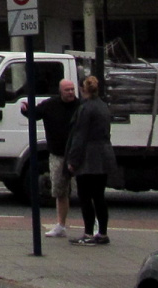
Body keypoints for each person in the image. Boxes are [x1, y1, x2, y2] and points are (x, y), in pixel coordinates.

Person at [20, 77, 79, 238]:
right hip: (58, 154)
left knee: (86, 192)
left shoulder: (80, 106)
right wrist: (25, 110)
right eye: (67, 90)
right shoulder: (50, 105)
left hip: (77, 155)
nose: (71, 92)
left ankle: (93, 224)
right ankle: (60, 225)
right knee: (60, 191)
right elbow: (35, 114)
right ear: (60, 91)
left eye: (72, 89)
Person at [65, 73, 114, 245]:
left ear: (82, 90)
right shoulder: (103, 106)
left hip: (88, 158)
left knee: (85, 196)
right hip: (104, 155)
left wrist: (73, 161)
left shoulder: (85, 109)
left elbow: (79, 136)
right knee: (99, 196)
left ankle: (88, 233)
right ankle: (102, 233)